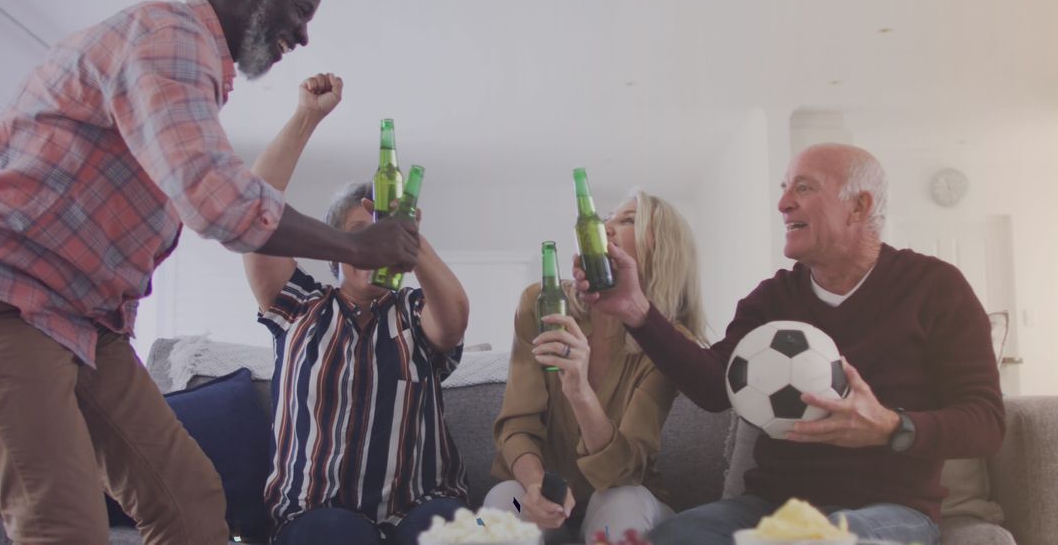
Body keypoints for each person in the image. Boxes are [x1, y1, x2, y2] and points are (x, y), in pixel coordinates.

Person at [0, 0, 419, 542]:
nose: (305, 35)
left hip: (90, 325)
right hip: (13, 299)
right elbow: (219, 199)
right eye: (300, 10)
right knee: (62, 526)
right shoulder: (169, 37)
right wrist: (359, 244)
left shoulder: (190, 66)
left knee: (190, 499)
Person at [575, 144, 1004, 545]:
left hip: (889, 509)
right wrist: (637, 310)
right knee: (674, 537)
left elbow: (986, 423)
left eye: (803, 187)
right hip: (768, 508)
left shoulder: (935, 287)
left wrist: (891, 427)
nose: (783, 204)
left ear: (860, 206)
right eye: (784, 189)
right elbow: (712, 389)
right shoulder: (771, 299)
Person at [243, 74, 470, 545]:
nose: (376, 240)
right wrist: (308, 115)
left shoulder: (413, 310)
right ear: (336, 246)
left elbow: (453, 322)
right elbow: (252, 210)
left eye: (384, 229)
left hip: (423, 507)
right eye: (360, 230)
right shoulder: (298, 305)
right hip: (312, 512)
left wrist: (411, 239)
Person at [484, 190, 709, 544]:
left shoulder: (670, 344)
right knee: (502, 501)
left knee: (621, 501)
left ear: (661, 247)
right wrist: (536, 485)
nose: (606, 227)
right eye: (609, 217)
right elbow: (516, 424)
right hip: (541, 493)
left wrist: (579, 392)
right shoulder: (541, 303)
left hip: (624, 501)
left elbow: (622, 471)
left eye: (628, 219)